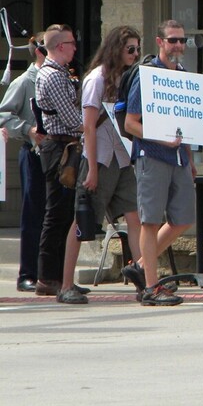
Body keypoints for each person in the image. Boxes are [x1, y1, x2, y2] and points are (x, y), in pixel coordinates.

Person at [56, 26, 144, 304]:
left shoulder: (127, 78)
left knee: (134, 218)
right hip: (100, 158)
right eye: (130, 49)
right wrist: (92, 168)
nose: (135, 54)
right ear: (116, 49)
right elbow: (89, 128)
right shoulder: (97, 79)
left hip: (122, 157)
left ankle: (144, 279)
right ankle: (66, 284)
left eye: (137, 49)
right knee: (82, 221)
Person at [124, 20, 196, 306]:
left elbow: (187, 124)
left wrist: (189, 157)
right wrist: (162, 138)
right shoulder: (148, 75)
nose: (178, 45)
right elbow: (131, 123)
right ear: (160, 42)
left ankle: (140, 266)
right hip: (151, 156)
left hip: (179, 159)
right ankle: (151, 288)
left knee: (183, 219)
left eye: (182, 40)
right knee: (151, 221)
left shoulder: (184, 75)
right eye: (173, 40)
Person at [33, 24, 84, 298]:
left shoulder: (61, 73)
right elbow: (72, 119)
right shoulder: (53, 76)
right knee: (57, 212)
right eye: (72, 43)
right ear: (60, 46)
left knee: (65, 214)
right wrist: (95, 122)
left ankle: (61, 276)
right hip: (59, 148)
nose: (75, 47)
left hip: (64, 146)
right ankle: (47, 276)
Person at [0, 33, 47, 292]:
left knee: (55, 215)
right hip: (33, 154)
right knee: (33, 213)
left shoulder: (63, 77)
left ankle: (51, 272)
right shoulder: (24, 82)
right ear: (40, 50)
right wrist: (28, 129)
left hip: (57, 155)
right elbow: (4, 114)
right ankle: (27, 273)